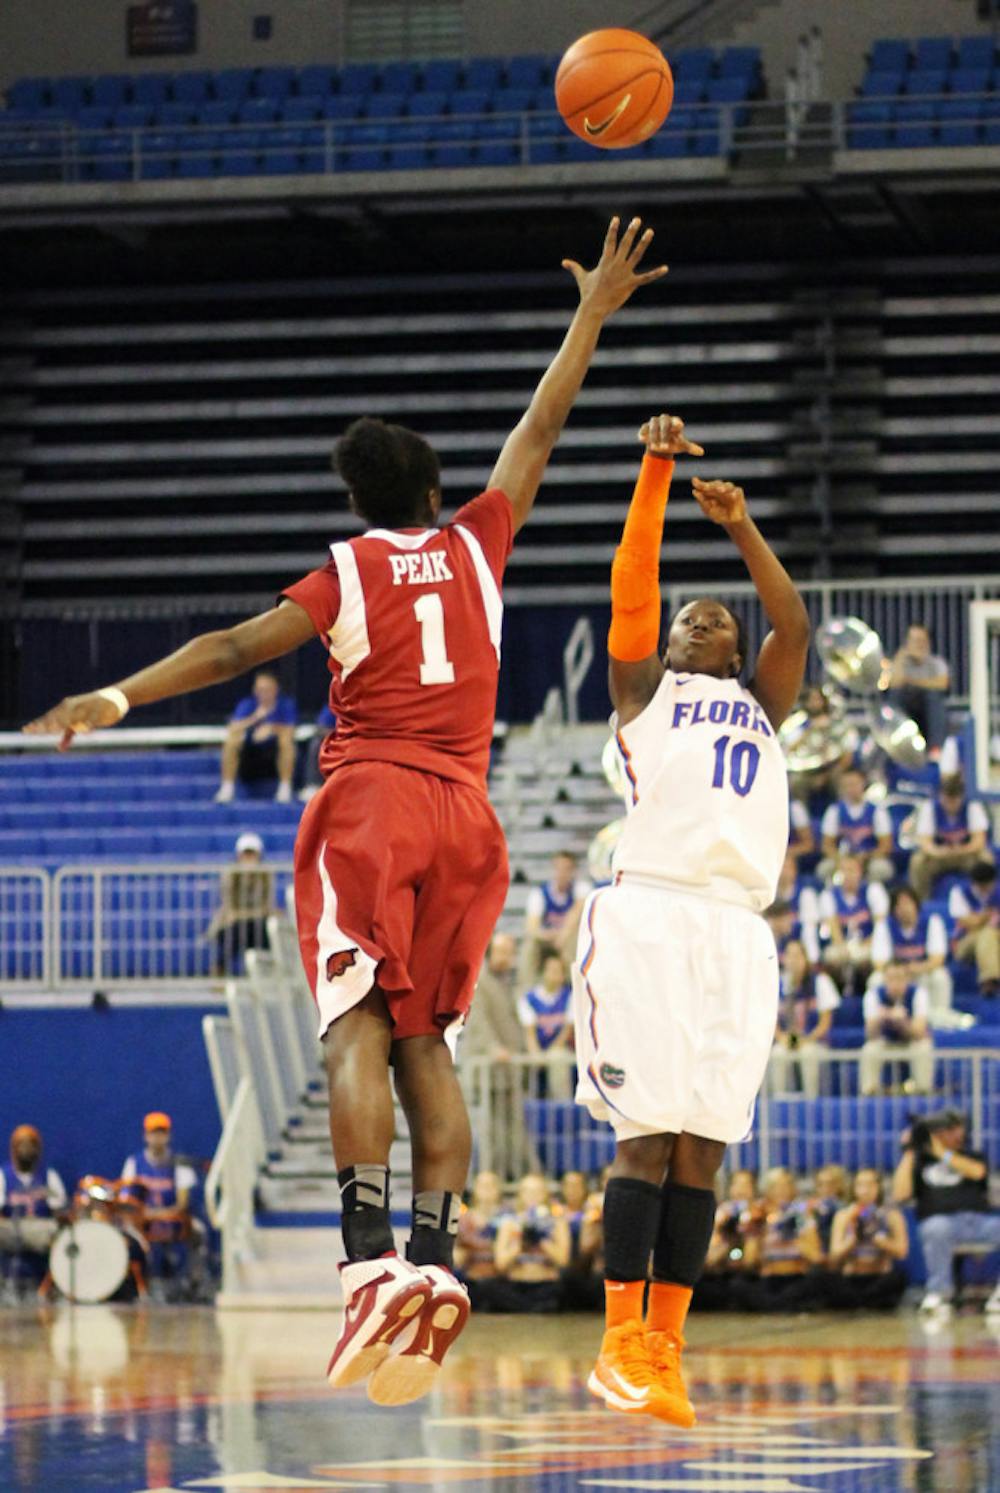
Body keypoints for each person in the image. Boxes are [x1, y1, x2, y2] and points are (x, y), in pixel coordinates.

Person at [25, 215, 669, 1405]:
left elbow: (231, 644)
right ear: (434, 490)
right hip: (470, 820)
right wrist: (590, 314)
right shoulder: (479, 541)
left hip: (373, 800)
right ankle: (436, 1256)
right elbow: (538, 430)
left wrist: (115, 692)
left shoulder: (345, 571)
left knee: (351, 1031)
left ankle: (369, 1261)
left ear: (362, 500)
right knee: (430, 1042)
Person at [572, 411, 810, 1424]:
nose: (700, 616)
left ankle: (665, 1345)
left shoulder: (765, 696)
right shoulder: (643, 694)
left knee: (704, 1145)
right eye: (685, 618)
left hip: (736, 931)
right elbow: (634, 578)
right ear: (666, 646)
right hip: (651, 915)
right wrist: (656, 470)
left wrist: (744, 526)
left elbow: (791, 624)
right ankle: (617, 1337)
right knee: (645, 1135)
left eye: (717, 614)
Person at [891, 1109, 1000, 1315]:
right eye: (942, 1130)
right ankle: (939, 1293)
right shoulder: (921, 1162)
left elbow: (977, 1172)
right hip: (939, 1221)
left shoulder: (972, 1155)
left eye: (951, 1129)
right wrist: (910, 1151)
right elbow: (899, 1194)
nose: (946, 1134)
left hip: (978, 1221)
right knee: (936, 1228)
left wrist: (939, 1151)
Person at [460, 933, 529, 1179]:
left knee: (513, 1130)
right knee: (491, 1132)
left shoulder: (509, 982)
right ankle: (490, 1180)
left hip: (508, 1073)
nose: (508, 957)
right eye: (502, 952)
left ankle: (514, 1177)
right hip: (488, 1071)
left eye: (510, 952)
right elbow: (478, 1022)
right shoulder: (481, 981)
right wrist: (492, 1049)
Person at [119, 1112, 198, 1295]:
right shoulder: (134, 1163)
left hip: (173, 1220)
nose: (158, 1137)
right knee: (123, 1235)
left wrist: (160, 1214)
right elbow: (126, 1201)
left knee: (199, 1232)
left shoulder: (179, 1163)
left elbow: (183, 1203)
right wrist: (142, 1215)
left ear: (168, 1136)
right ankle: (136, 1287)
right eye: (154, 1133)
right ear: (145, 1136)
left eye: (162, 1133)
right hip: (142, 1222)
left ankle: (194, 1283)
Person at [729, 1167, 824, 1312]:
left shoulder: (802, 1214)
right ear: (767, 1191)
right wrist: (757, 1231)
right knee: (738, 1285)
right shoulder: (758, 1214)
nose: (781, 1191)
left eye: (785, 1186)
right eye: (775, 1187)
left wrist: (793, 1236)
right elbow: (749, 1261)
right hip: (769, 1278)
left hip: (796, 1276)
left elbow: (816, 1257)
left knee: (819, 1280)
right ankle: (779, 1305)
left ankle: (776, 1305)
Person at [825, 1168, 908, 1309]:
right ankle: (863, 1302)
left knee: (898, 1277)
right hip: (852, 1277)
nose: (865, 1190)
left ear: (879, 1187)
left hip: (879, 1276)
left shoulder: (892, 1215)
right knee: (825, 1277)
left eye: (870, 1185)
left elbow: (902, 1252)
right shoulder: (844, 1215)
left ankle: (863, 1302)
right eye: (860, 1185)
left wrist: (881, 1241)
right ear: (853, 1188)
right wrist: (852, 1240)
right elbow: (834, 1256)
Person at [0, 1125, 67, 1295]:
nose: (26, 1149)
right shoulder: (3, 1176)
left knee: (61, 1233)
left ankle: (53, 1286)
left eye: (31, 1144)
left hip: (41, 1232)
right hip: (12, 1231)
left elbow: (60, 1213)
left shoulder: (48, 1176)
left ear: (38, 1149)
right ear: (13, 1148)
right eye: (21, 1144)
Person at [491, 1172, 571, 1312]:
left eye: (537, 1191)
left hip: (547, 1287)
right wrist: (520, 1243)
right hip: (515, 1286)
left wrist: (542, 1239)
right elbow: (500, 1264)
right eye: (527, 1191)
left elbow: (563, 1260)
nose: (532, 1195)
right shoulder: (509, 1223)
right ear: (520, 1194)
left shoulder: (557, 1223)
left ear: (545, 1194)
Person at [770, 939, 840, 1099]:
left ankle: (811, 1099)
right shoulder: (777, 983)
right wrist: (782, 1038)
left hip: (814, 1041)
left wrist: (807, 1039)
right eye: (789, 955)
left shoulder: (820, 982)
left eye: (797, 955)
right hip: (787, 1040)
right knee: (778, 1054)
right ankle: (779, 1101)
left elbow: (825, 1022)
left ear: (805, 958)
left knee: (808, 1054)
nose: (793, 960)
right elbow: (772, 1021)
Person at [215, 668, 298, 803]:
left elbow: (291, 730)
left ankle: (285, 787)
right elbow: (233, 728)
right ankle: (227, 787)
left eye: (267, 689)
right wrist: (255, 718)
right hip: (249, 755)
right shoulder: (247, 704)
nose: (263, 694)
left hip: (273, 754)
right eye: (260, 689)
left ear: (276, 689)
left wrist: (272, 729)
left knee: (286, 741)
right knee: (232, 740)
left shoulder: (286, 704)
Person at [871, 884, 952, 1020]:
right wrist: (899, 973)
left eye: (907, 903)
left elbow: (938, 959)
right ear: (893, 909)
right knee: (875, 979)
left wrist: (917, 968)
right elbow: (879, 962)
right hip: (896, 974)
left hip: (922, 971)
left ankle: (941, 1015)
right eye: (899, 905)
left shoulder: (932, 921)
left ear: (916, 905)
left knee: (940, 976)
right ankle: (879, 1017)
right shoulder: (884, 925)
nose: (904, 909)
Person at [908, 772, 992, 904]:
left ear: (961, 797)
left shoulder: (972, 806)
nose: (951, 804)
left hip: (965, 854)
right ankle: (921, 901)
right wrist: (939, 852)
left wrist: (962, 850)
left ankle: (988, 899)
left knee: (986, 858)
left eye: (954, 800)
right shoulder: (930, 807)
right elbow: (924, 842)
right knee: (918, 861)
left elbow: (979, 841)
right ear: (941, 796)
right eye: (947, 799)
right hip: (940, 855)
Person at [204, 831, 275, 976]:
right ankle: (219, 971)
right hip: (234, 925)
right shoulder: (230, 874)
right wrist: (253, 914)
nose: (248, 858)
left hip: (255, 923)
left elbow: (267, 906)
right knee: (235, 933)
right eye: (246, 854)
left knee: (263, 931)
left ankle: (265, 976)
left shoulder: (265, 875)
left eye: (252, 853)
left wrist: (248, 915)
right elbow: (230, 908)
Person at [818, 853, 888, 994]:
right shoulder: (829, 895)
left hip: (868, 943)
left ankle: (863, 991)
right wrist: (843, 947)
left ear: (859, 872)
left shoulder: (872, 891)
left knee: (865, 957)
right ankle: (839, 992)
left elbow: (880, 925)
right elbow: (833, 928)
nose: (848, 875)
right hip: (844, 944)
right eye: (844, 870)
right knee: (832, 956)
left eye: (851, 870)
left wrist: (867, 944)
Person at [860, 961, 933, 1095]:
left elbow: (920, 1032)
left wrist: (903, 1022)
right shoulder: (874, 995)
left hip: (911, 1042)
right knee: (870, 1050)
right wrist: (882, 1017)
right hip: (886, 1041)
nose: (895, 983)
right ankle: (869, 1092)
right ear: (884, 980)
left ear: (907, 979)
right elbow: (869, 1034)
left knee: (924, 1047)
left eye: (899, 978)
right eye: (891, 979)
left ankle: (924, 1090)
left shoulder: (918, 994)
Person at [693, 1169, 761, 1310]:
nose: (741, 1190)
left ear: (754, 1189)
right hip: (720, 1269)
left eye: (745, 1185)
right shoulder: (723, 1212)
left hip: (751, 1272)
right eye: (737, 1185)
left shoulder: (758, 1211)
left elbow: (750, 1257)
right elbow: (712, 1250)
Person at [521, 850, 591, 980]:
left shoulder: (580, 889)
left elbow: (575, 915)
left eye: (566, 869)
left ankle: (571, 986)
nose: (562, 873)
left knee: (573, 941)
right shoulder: (539, 893)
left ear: (573, 871)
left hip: (568, 938)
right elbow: (532, 927)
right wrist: (547, 935)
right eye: (558, 868)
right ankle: (527, 990)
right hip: (548, 938)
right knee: (529, 945)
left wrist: (562, 935)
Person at [818, 766, 894, 883]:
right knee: (824, 869)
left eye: (854, 784)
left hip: (869, 857)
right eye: (847, 785)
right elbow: (826, 845)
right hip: (842, 856)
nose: (851, 789)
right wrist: (841, 859)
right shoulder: (835, 810)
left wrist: (867, 857)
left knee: (881, 869)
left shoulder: (877, 811)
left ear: (863, 784)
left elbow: (886, 845)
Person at [888, 623, 950, 754]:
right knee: (896, 695)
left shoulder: (936, 662)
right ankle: (894, 749)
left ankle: (935, 751)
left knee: (933, 696)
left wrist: (911, 681)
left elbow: (942, 684)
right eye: (915, 640)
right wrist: (900, 656)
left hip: (928, 714)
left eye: (922, 640)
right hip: (905, 712)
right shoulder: (901, 661)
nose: (919, 644)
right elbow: (893, 683)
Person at [453, 1170, 505, 1309]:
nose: (487, 1190)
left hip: (500, 1281)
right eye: (483, 1185)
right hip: (471, 1280)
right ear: (475, 1189)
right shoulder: (463, 1219)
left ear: (498, 1189)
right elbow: (457, 1257)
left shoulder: (508, 1217)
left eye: (491, 1185)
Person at [949, 860, 1000, 997]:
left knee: (988, 935)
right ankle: (990, 979)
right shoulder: (959, 893)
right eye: (982, 886)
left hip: (996, 939)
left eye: (989, 885)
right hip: (965, 942)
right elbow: (968, 923)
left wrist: (981, 918)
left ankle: (990, 980)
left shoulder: (997, 891)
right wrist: (987, 915)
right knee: (987, 934)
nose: (986, 889)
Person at [808, 1163, 848, 1261]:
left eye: (830, 1184)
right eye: (820, 1184)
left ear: (839, 1185)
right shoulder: (812, 1206)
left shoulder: (845, 1208)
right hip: (817, 1258)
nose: (825, 1188)